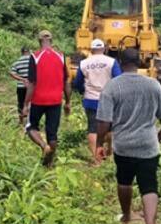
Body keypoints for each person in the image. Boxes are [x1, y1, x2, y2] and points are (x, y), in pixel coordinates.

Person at [95, 48, 161, 224]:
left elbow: (104, 121)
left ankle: (127, 216)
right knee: (149, 185)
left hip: (124, 145)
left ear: (120, 63)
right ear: (139, 63)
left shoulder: (112, 87)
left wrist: (99, 144)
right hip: (148, 145)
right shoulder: (153, 85)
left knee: (124, 181)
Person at [22, 30, 71, 167]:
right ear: (52, 40)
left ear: (39, 41)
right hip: (56, 100)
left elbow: (32, 83)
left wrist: (25, 104)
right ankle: (49, 164)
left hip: (38, 100)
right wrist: (68, 102)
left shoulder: (35, 56)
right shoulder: (61, 56)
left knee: (31, 127)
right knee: (52, 133)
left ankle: (44, 146)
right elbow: (66, 81)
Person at [72, 39, 121, 162]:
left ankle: (96, 159)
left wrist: (83, 90)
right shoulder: (111, 62)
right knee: (110, 127)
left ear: (91, 49)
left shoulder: (84, 63)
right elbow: (119, 79)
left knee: (93, 128)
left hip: (91, 99)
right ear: (104, 49)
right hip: (109, 99)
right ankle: (109, 151)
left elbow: (77, 82)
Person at [9, 47, 31, 124]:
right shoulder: (33, 61)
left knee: (21, 103)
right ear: (29, 52)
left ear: (21, 53)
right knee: (32, 103)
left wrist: (22, 79)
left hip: (21, 86)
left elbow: (12, 73)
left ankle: (21, 121)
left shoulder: (17, 62)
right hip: (31, 86)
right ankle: (31, 121)